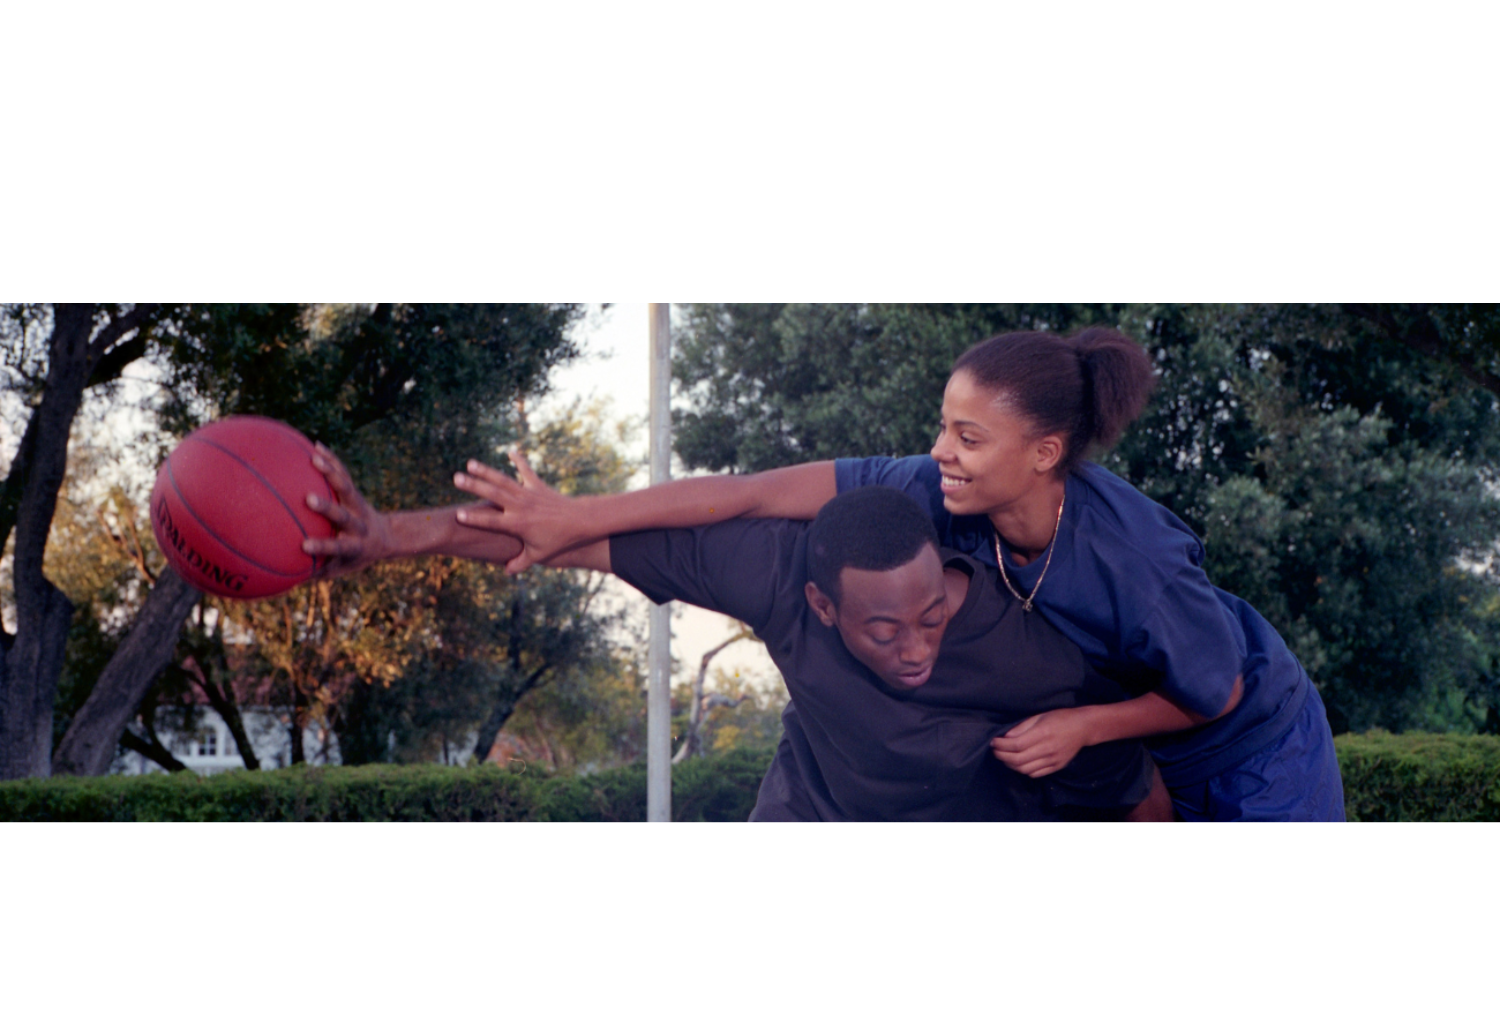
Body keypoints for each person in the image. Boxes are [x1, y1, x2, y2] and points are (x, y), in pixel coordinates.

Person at [449, 327, 1346, 822]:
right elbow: (755, 494)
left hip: (1251, 743)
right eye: (943, 425)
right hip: (1130, 745)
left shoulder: (1136, 562)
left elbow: (1217, 689)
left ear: (1043, 453)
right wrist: (581, 515)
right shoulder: (932, 489)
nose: (939, 451)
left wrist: (1082, 723)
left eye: (967, 436)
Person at [300, 453, 1169, 820]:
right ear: (823, 607)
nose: (915, 646)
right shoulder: (774, 572)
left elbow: (1135, 787)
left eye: (931, 615)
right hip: (815, 814)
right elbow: (560, 537)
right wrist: (389, 536)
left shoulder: (1026, 651)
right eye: (884, 627)